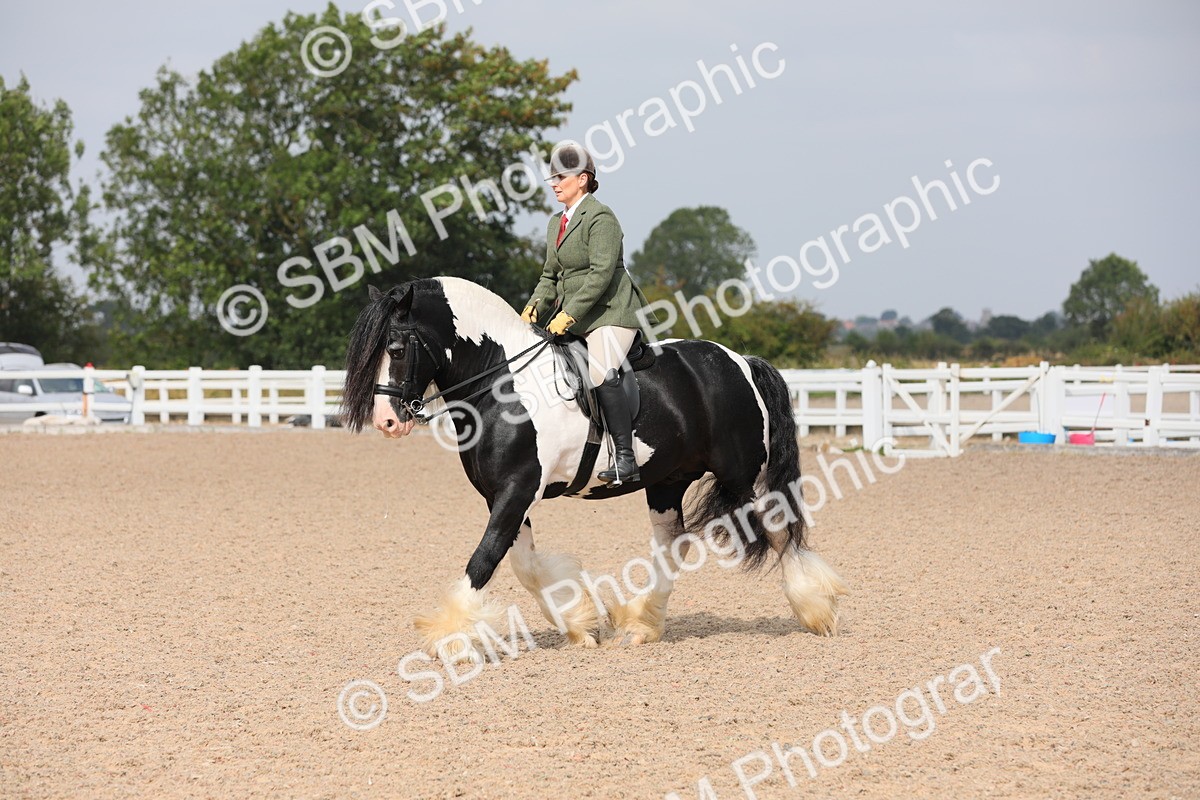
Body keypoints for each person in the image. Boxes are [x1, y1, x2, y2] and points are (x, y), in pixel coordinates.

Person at [520, 141, 654, 485]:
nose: (553, 183)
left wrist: (569, 314)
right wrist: (533, 307)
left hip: (610, 313)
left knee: (599, 371)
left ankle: (625, 457)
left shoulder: (601, 217)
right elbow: (550, 275)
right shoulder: (556, 223)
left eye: (560, 177)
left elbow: (601, 274)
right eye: (551, 178)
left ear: (583, 179)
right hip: (575, 316)